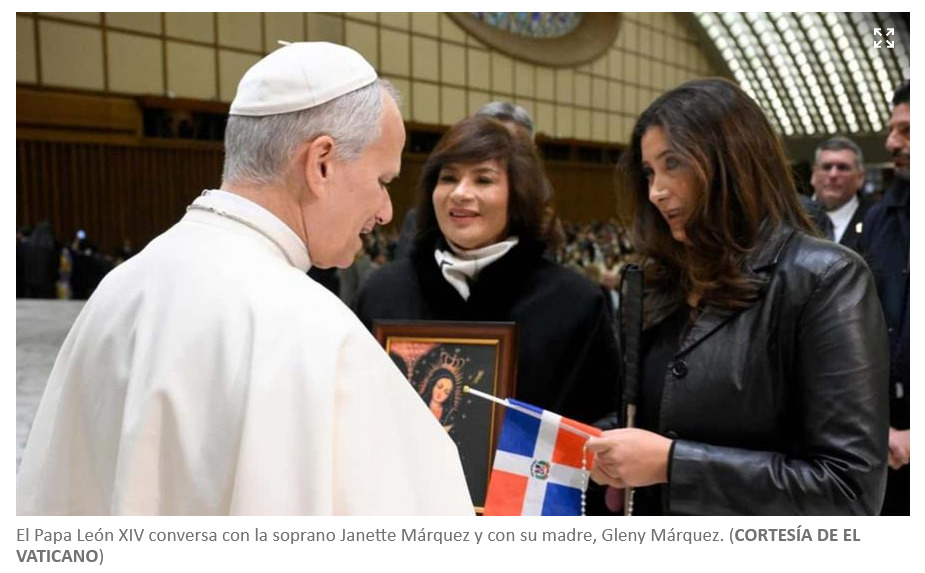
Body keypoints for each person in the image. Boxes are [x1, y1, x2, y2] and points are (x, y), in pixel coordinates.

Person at [17, 42, 472, 516]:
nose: (385, 211)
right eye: (382, 181)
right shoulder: (313, 331)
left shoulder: (120, 287)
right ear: (321, 164)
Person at [586, 78, 888, 515]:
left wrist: (674, 464)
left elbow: (848, 490)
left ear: (731, 161)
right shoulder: (660, 282)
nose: (656, 191)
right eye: (650, 172)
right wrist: (595, 442)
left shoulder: (826, 277)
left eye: (674, 164)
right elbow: (652, 421)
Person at [354, 115, 621, 427]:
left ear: (518, 194)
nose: (460, 193)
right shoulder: (383, 291)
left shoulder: (575, 303)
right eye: (449, 178)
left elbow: (598, 425)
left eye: (483, 180)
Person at [859, 80, 910, 515]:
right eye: (893, 129)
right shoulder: (880, 218)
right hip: (885, 442)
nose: (892, 142)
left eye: (908, 131)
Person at [810, 136, 872, 252]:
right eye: (826, 167)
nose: (833, 175)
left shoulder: (876, 220)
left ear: (860, 177)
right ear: (814, 175)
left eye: (843, 168)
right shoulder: (791, 216)